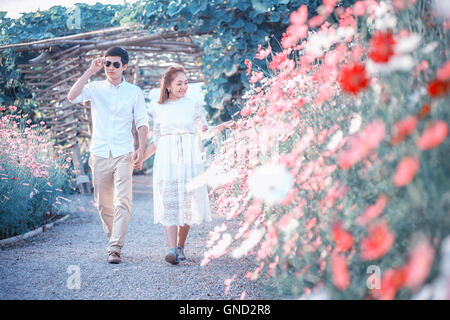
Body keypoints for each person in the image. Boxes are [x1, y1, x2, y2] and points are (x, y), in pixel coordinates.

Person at [134, 64, 232, 265]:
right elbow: (157, 139)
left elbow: (202, 129)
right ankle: (171, 249)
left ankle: (180, 246)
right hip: (167, 158)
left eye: (186, 83)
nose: (183, 87)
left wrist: (218, 128)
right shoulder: (159, 107)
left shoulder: (192, 104)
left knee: (186, 202)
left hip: (188, 157)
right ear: (168, 85)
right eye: (179, 83)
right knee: (169, 200)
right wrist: (141, 158)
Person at [68, 46, 149, 264]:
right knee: (104, 204)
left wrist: (141, 148)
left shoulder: (134, 92)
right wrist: (89, 71)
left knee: (123, 200)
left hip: (124, 152)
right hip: (100, 153)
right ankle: (114, 238)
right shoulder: (94, 87)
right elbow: (72, 96)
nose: (110, 68)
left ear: (124, 66)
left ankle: (115, 248)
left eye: (115, 64)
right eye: (107, 63)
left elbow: (142, 123)